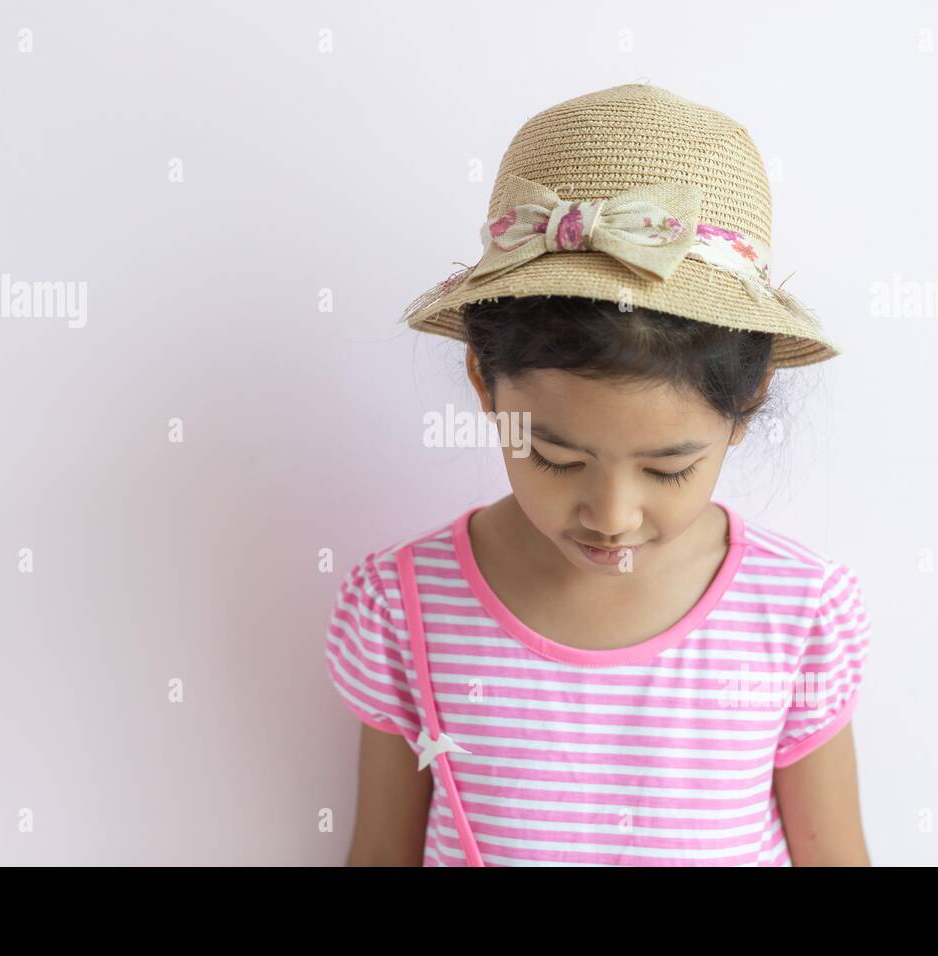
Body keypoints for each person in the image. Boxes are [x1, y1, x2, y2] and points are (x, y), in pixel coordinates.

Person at [325, 83, 873, 866]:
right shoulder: (403, 606)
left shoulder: (798, 616)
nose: (611, 516)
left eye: (668, 468)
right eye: (555, 457)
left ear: (747, 402)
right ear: (482, 378)